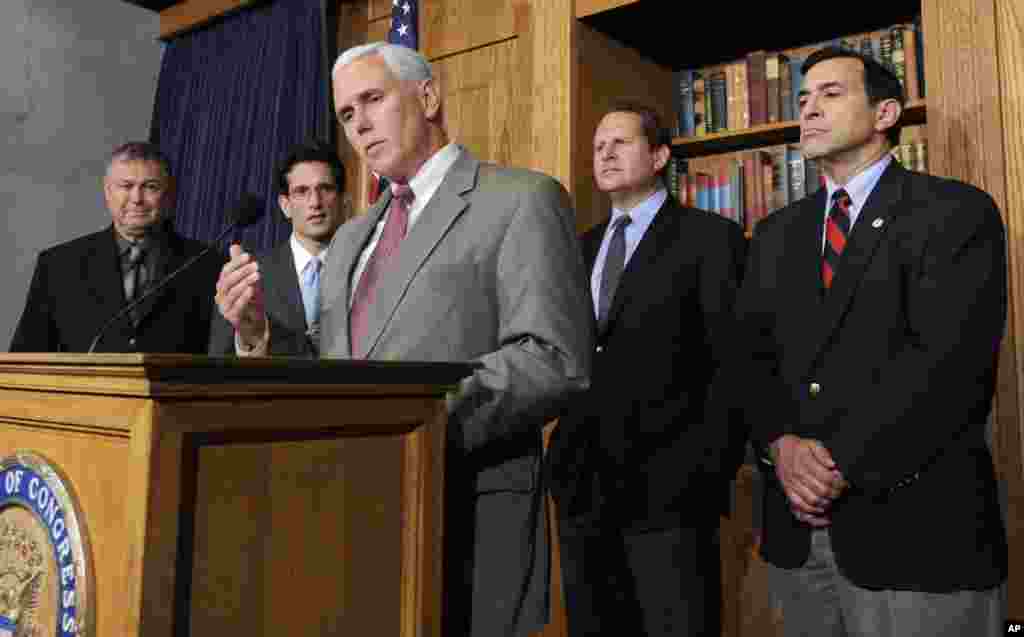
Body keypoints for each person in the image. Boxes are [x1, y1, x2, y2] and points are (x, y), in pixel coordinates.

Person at [214, 42, 593, 636]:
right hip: (352, 520)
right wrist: (257, 334)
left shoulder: (519, 199)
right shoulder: (349, 238)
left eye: (372, 100)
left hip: (468, 516)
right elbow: (332, 372)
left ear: (429, 97)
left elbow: (554, 359)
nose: (359, 124)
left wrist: (410, 418)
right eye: (345, 114)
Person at [735, 46, 1007, 636]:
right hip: (797, 533)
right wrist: (780, 444)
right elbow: (751, 360)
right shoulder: (778, 233)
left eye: (831, 94)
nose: (807, 110)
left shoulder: (954, 212)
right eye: (803, 98)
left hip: (915, 530)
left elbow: (949, 367)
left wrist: (836, 463)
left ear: (886, 114)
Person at [545, 103, 745, 636]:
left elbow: (731, 364)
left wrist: (705, 471)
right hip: (583, 485)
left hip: (670, 491)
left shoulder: (710, 238)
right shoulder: (579, 248)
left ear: (658, 155)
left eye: (620, 143)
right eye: (597, 146)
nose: (605, 153)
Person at [10, 141, 221, 353]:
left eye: (150, 187)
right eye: (126, 186)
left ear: (168, 195)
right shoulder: (58, 265)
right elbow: (24, 358)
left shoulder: (206, 263)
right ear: (107, 192)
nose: (137, 199)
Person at [209, 140, 346, 356]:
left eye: (325, 189)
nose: (315, 202)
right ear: (285, 206)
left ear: (341, 200)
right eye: (302, 191)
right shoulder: (249, 275)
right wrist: (248, 340)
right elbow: (218, 361)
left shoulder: (365, 268)